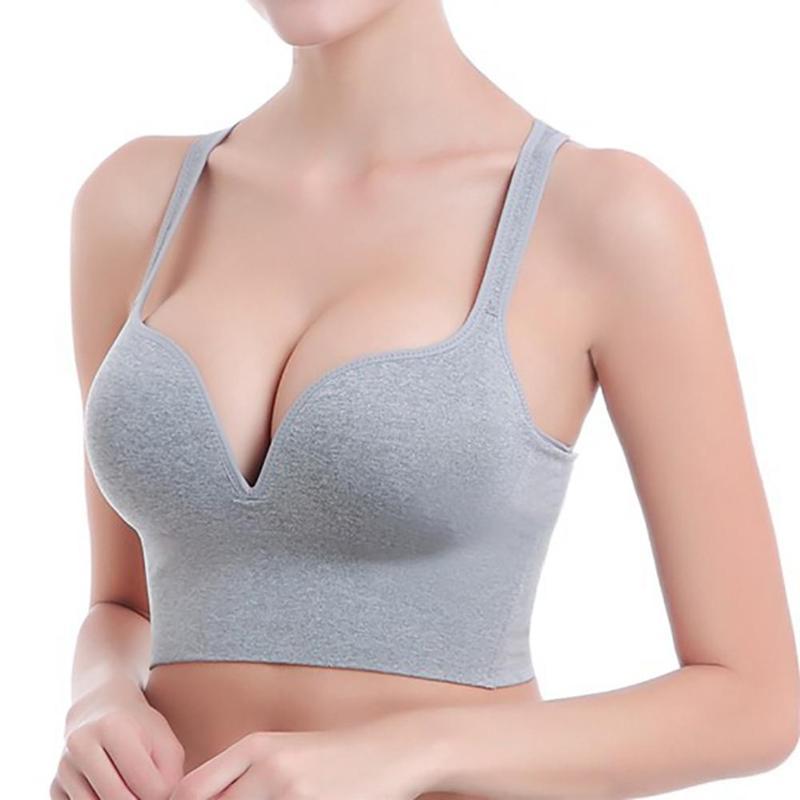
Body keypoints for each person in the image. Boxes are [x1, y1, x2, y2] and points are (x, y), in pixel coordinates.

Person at [53, 1, 799, 798]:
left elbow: (754, 702)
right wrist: (99, 697)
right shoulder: (136, 202)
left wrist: (412, 751)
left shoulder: (603, 214)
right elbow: (123, 607)